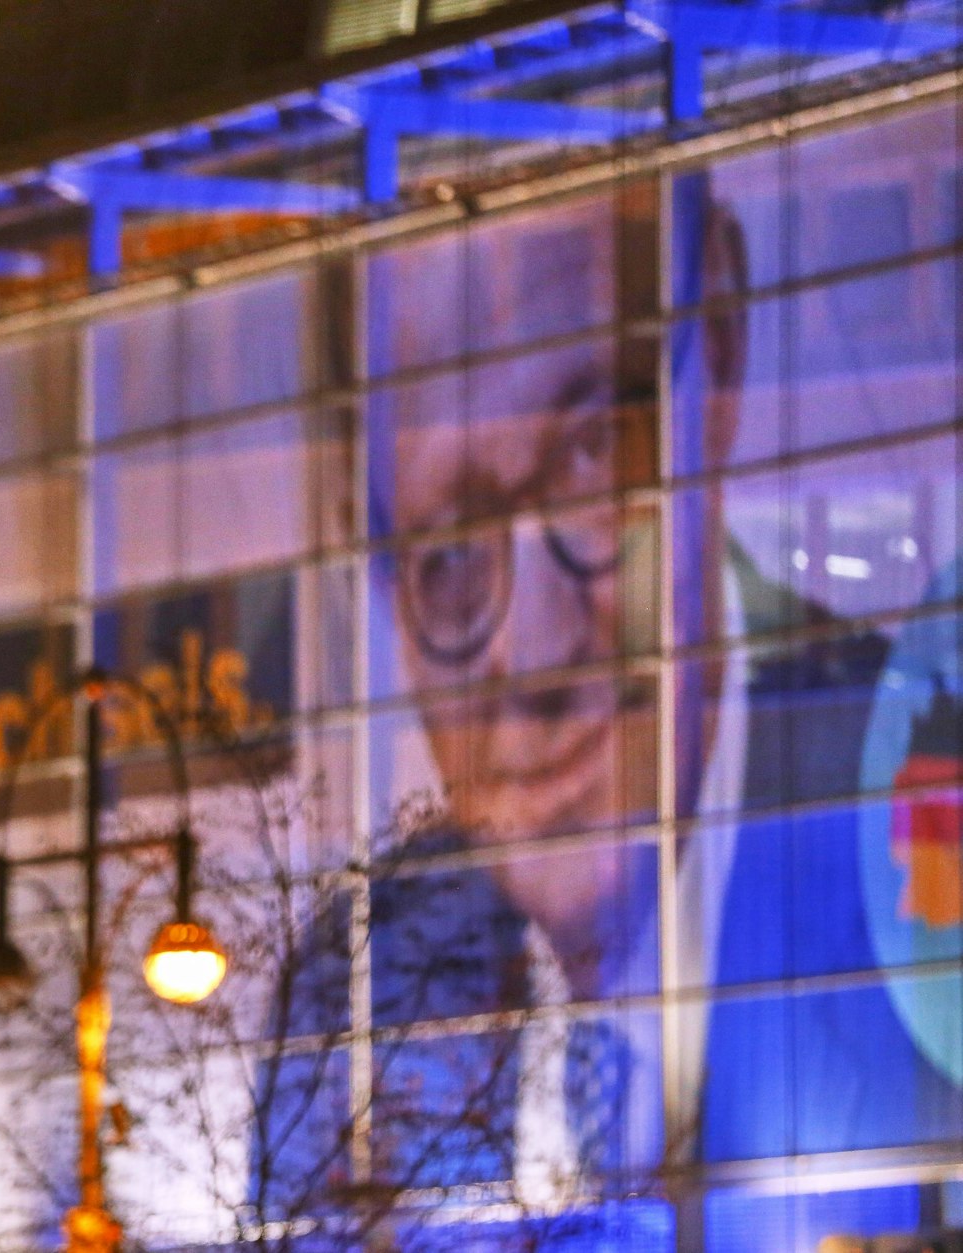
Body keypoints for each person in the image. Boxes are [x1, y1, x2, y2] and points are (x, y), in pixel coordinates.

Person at [266, 164, 962, 1245]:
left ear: (718, 350)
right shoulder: (352, 990)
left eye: (590, 457)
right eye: (446, 551)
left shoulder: (922, 826)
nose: (534, 647)